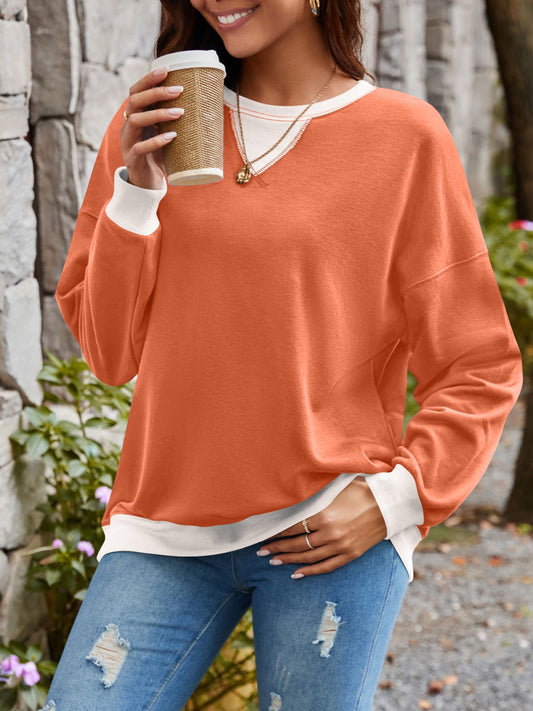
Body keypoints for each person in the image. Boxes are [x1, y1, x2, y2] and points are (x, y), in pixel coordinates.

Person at [40, 0, 523, 709]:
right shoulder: (156, 124)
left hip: (329, 531)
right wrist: (137, 194)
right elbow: (109, 354)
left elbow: (478, 363)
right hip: (163, 531)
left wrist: (397, 498)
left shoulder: (403, 138)